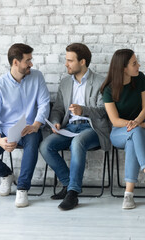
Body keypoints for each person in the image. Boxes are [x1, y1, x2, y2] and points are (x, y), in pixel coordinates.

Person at [39, 43, 110, 211]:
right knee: (46, 145)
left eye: (70, 60)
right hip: (69, 128)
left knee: (78, 142)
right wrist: (56, 121)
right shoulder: (65, 83)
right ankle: (67, 184)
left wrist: (83, 110)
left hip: (92, 128)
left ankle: (73, 193)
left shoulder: (101, 82)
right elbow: (58, 109)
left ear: (83, 61)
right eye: (66, 60)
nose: (66, 64)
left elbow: (105, 112)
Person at [0, 43, 50, 208]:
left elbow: (44, 104)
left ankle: (22, 188)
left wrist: (36, 125)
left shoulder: (37, 77)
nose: (31, 64)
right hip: (5, 130)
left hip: (30, 128)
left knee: (32, 144)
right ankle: (6, 175)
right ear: (15, 62)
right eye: (27, 60)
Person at [100, 49, 145, 209]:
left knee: (134, 138)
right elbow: (115, 121)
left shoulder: (140, 78)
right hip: (119, 132)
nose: (139, 65)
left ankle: (128, 195)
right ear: (123, 68)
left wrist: (137, 122)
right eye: (134, 63)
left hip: (143, 130)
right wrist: (140, 125)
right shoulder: (108, 90)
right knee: (134, 132)